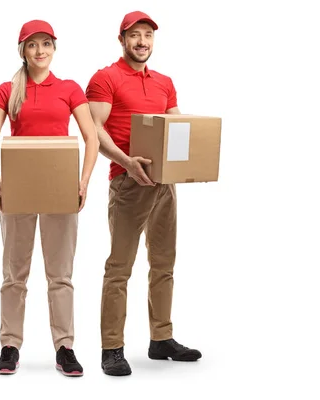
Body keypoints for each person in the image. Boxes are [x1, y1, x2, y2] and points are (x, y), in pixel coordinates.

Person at [85, 11, 202, 376]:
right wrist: (126, 161)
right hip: (127, 181)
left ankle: (161, 339)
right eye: (135, 35)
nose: (142, 42)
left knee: (164, 264)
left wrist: (186, 164)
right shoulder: (106, 78)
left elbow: (177, 127)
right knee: (119, 268)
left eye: (148, 35)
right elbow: (93, 130)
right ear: (122, 39)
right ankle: (111, 348)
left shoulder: (165, 82)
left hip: (163, 185)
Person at [0, 19, 99, 377]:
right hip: (18, 189)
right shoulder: (7, 89)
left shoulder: (68, 88)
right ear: (23, 50)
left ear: (54, 47)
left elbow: (91, 138)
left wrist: (82, 182)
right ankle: (9, 345)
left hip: (60, 188)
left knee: (60, 275)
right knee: (14, 275)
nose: (40, 50)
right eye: (32, 45)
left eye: (46, 43)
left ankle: (65, 347)